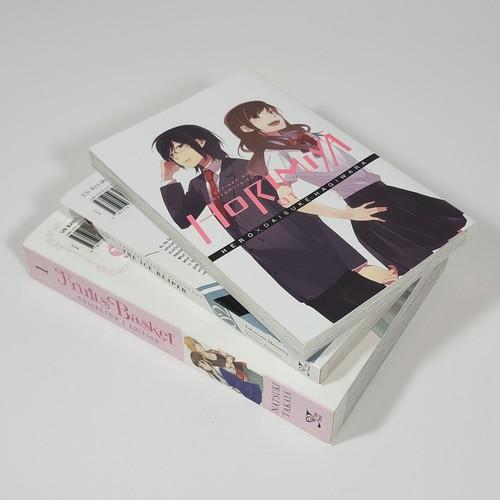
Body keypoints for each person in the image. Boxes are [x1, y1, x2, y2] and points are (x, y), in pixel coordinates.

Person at [155, 125, 396, 325]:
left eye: (180, 147)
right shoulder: (198, 186)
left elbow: (294, 207)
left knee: (382, 312)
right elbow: (182, 219)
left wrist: (352, 259)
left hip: (313, 254)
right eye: (172, 153)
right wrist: (167, 178)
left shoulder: (247, 167)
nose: (177, 156)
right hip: (282, 268)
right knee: (347, 323)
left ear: (200, 141)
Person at [224, 102, 466, 275]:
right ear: (247, 128)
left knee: (456, 238)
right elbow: (288, 201)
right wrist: (348, 214)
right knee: (432, 264)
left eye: (270, 110)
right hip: (369, 208)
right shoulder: (275, 155)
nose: (270, 115)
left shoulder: (309, 134)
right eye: (258, 116)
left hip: (391, 194)